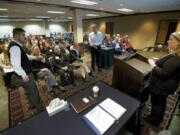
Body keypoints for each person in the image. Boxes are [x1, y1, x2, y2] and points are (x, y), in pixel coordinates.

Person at [145, 32, 180, 126]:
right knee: (160, 102)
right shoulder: (174, 54)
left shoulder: (177, 57)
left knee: (157, 103)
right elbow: (168, 65)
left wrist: (152, 64)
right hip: (163, 86)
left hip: (162, 86)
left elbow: (163, 73)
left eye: (170, 39)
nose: (168, 41)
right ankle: (156, 117)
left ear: (178, 43)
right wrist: (158, 60)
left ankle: (154, 120)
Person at [8, 28, 43, 112]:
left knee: (29, 91)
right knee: (33, 91)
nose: (25, 37)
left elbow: (25, 56)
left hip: (24, 73)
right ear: (16, 36)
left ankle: (32, 105)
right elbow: (16, 65)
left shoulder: (17, 45)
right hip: (25, 74)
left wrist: (35, 57)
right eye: (23, 35)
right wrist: (24, 75)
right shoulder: (14, 47)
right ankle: (40, 110)